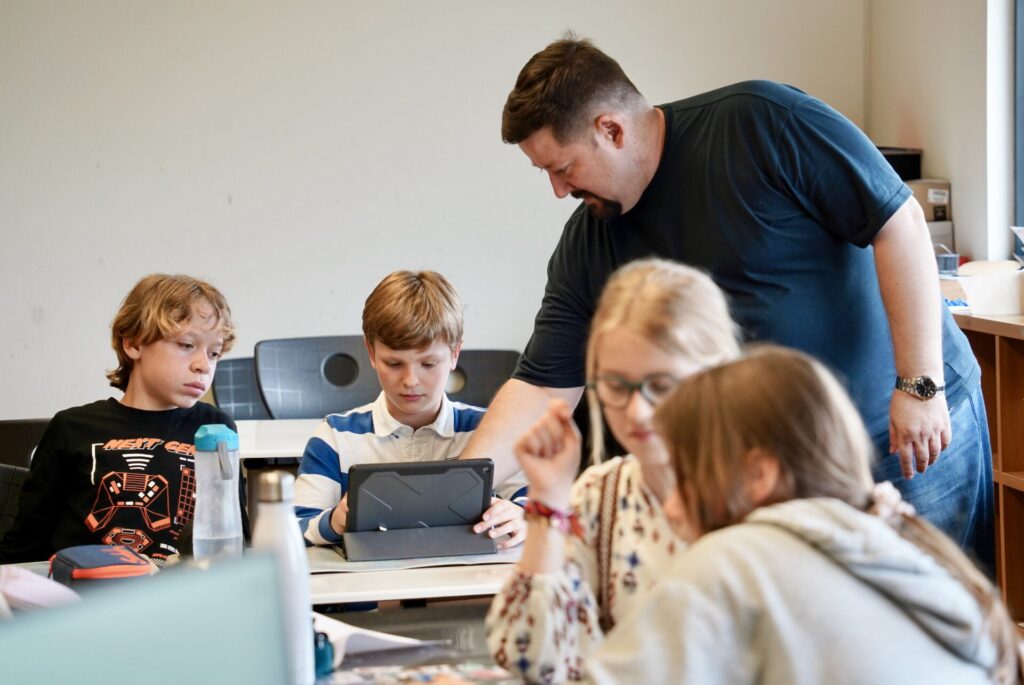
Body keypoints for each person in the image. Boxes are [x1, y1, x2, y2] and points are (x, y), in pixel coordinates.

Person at [462, 35, 992, 569]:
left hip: (902, 424)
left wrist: (920, 385)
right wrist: (456, 488)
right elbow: (542, 383)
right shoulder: (590, 240)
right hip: (786, 468)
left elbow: (899, 224)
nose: (558, 190)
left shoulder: (760, 123)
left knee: (936, 626)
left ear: (611, 130)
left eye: (563, 168)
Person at [519, 347, 1021, 684]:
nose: (670, 506)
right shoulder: (899, 544)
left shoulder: (737, 557)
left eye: (687, 474)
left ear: (758, 475)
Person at [484, 258, 740, 682]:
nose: (637, 411)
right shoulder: (602, 494)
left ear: (712, 376)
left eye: (661, 386)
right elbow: (527, 657)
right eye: (616, 387)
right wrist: (548, 502)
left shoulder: (766, 486)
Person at [0, 274, 237, 564]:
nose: (203, 365)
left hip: (184, 596)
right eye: (186, 345)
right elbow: (26, 543)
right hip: (88, 597)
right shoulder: (73, 428)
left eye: (214, 353)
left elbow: (236, 539)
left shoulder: (215, 428)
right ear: (134, 344)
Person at [294, 270, 528, 549]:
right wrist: (334, 521)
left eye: (428, 364)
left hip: (460, 584)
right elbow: (296, 527)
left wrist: (524, 514)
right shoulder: (334, 437)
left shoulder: (489, 430)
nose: (410, 381)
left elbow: (539, 505)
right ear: (371, 353)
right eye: (394, 364)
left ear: (455, 354)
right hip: (369, 585)